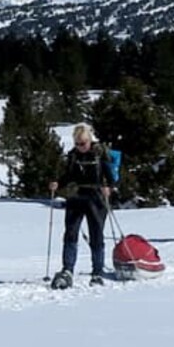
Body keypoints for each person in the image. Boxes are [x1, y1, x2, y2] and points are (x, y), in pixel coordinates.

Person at [49, 122, 116, 287]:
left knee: (96, 235)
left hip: (96, 198)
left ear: (89, 140)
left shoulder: (99, 154)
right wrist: (57, 183)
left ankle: (97, 272)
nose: (80, 146)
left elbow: (111, 176)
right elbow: (68, 175)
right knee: (70, 233)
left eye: (83, 143)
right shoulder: (73, 156)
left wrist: (109, 187)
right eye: (77, 143)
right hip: (76, 197)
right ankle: (67, 270)